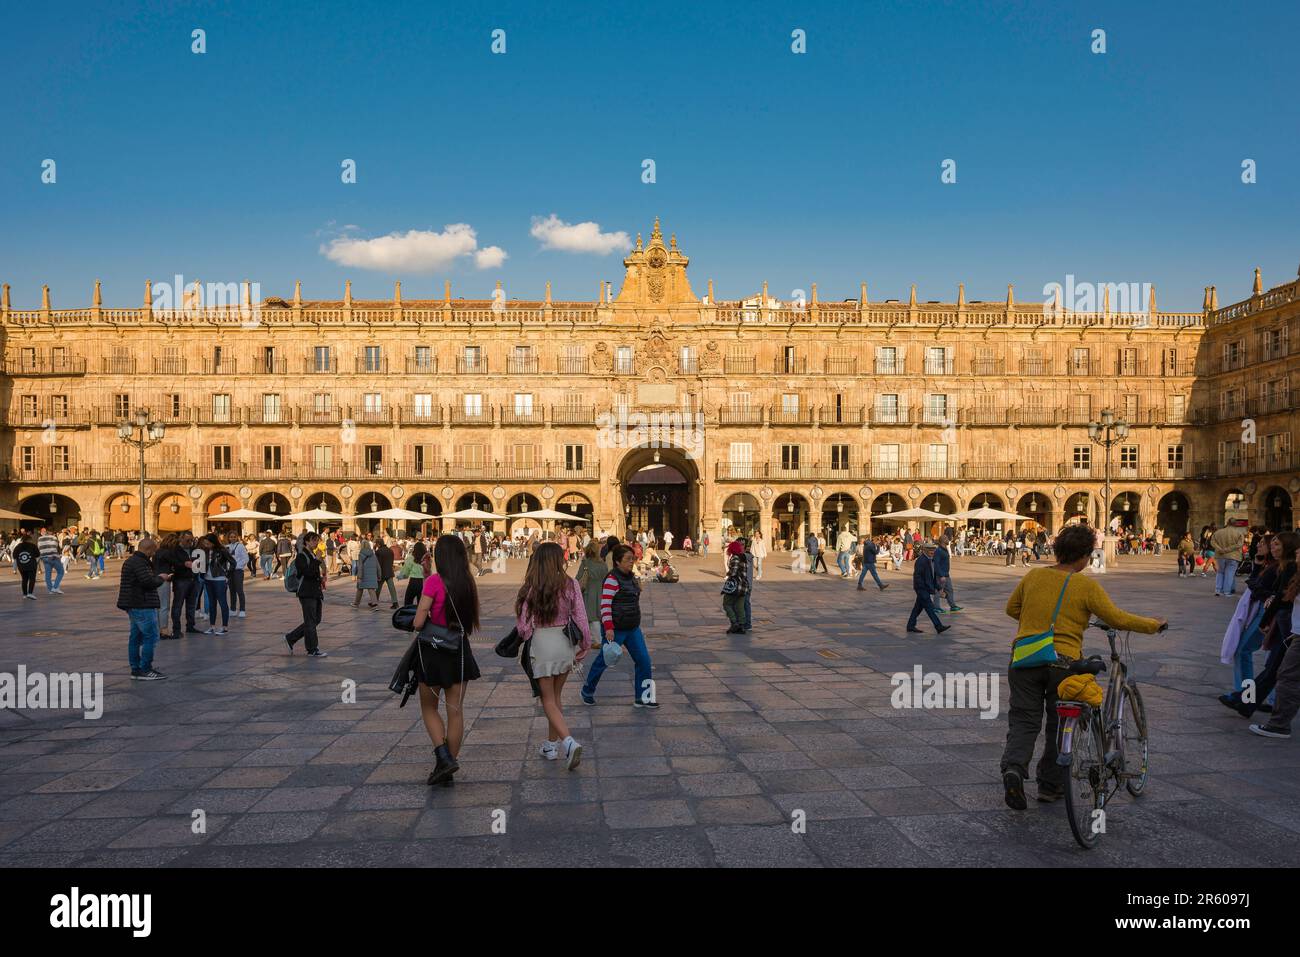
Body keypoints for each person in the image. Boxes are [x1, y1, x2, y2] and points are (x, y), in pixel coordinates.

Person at [1000, 524, 1166, 809]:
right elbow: (1116, 618)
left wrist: (1035, 624)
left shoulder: (1033, 575)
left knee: (1024, 721)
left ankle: (1014, 769)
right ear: (1084, 557)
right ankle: (1050, 786)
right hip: (1064, 664)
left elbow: (1011, 609)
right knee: (1059, 724)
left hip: (1025, 659)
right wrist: (1153, 625)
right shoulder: (1086, 586)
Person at [411, 534, 482, 786]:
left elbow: (418, 622)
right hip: (459, 651)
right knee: (455, 711)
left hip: (433, 652)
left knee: (429, 707)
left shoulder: (433, 582)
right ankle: (448, 762)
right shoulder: (468, 583)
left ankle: (444, 760)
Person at [515, 542, 590, 769]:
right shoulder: (570, 584)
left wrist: (530, 634)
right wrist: (584, 644)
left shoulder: (531, 587)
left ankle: (568, 742)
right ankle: (550, 745)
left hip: (543, 642)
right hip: (564, 643)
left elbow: (523, 627)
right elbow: (581, 617)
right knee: (556, 698)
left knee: (547, 699)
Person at [581, 544, 657, 708]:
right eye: (628, 559)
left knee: (644, 660)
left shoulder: (631, 577)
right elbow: (605, 605)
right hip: (615, 629)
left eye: (633, 559)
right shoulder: (611, 579)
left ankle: (644, 697)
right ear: (617, 562)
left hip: (632, 628)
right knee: (604, 661)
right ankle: (587, 690)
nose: (632, 562)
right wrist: (608, 627)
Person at [117, 536, 173, 680]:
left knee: (135, 637)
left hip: (134, 603)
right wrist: (162, 578)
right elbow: (147, 582)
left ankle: (136, 669)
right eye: (153, 550)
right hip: (141, 604)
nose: (154, 553)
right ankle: (145, 669)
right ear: (148, 549)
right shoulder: (139, 563)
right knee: (151, 637)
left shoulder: (133, 561)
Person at [285, 532, 328, 657]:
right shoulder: (301, 556)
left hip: (314, 591)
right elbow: (307, 572)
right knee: (310, 621)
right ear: (307, 542)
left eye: (317, 541)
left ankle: (291, 637)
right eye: (314, 540)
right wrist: (318, 560)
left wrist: (320, 579)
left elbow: (312, 573)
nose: (316, 543)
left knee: (316, 619)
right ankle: (312, 649)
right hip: (306, 592)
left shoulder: (312, 554)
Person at [906, 540, 950, 634]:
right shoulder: (921, 561)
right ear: (925, 550)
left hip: (925, 588)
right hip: (922, 589)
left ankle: (910, 625)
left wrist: (938, 588)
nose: (932, 552)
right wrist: (922, 589)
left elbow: (932, 577)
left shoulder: (930, 560)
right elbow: (917, 576)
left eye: (933, 550)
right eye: (930, 550)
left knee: (917, 608)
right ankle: (938, 626)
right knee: (930, 608)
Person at [199, 534, 233, 635]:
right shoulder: (205, 551)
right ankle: (212, 626)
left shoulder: (222, 550)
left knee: (222, 602)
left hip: (219, 579)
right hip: (207, 579)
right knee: (211, 603)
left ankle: (225, 627)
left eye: (208, 543)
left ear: (213, 542)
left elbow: (233, 562)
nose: (206, 545)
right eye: (205, 543)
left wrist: (227, 575)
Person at [575, 541, 607, 645]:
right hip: (601, 591)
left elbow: (578, 578)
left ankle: (596, 640)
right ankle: (596, 639)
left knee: (591, 616)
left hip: (589, 591)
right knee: (598, 616)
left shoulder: (586, 563)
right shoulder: (603, 563)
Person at [1210, 520, 1248, 597]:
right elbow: (1239, 545)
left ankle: (1218, 590)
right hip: (1233, 556)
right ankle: (1226, 591)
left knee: (1220, 572)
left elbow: (1212, 542)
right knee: (1229, 573)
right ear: (1235, 524)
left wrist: (1220, 549)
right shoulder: (1239, 533)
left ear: (1227, 523)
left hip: (1220, 555)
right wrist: (1227, 549)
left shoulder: (1218, 532)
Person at [722, 539, 749, 634]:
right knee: (739, 606)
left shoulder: (735, 558)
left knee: (726, 603)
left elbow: (733, 572)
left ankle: (734, 623)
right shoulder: (743, 557)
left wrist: (728, 573)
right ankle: (741, 626)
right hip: (744, 586)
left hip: (736, 586)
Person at [933, 535, 962, 612]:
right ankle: (936, 607)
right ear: (942, 540)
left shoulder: (944, 549)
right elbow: (936, 564)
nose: (948, 539)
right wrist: (941, 575)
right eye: (946, 538)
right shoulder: (939, 551)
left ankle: (952, 606)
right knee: (938, 591)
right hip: (941, 575)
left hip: (946, 574)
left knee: (949, 590)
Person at [397, 540, 429, 606]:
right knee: (421, 604)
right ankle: (420, 615)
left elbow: (406, 570)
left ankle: (408, 615)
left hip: (413, 582)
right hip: (424, 582)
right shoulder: (427, 558)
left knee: (408, 601)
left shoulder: (411, 558)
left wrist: (401, 576)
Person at [352, 538, 379, 608]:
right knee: (371, 589)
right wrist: (379, 574)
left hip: (363, 575)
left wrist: (359, 577)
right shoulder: (373, 554)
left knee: (360, 589)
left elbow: (360, 566)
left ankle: (356, 603)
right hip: (372, 575)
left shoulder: (361, 554)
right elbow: (377, 565)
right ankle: (374, 602)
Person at [13, 532, 39, 600]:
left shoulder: (18, 546)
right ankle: (30, 593)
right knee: (32, 579)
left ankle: (24, 594)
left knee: (24, 579)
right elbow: (38, 554)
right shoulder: (33, 546)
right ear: (29, 539)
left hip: (21, 566)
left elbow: (14, 556)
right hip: (31, 565)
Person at [37, 526, 64, 595]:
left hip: (44, 558)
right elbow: (54, 547)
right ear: (52, 532)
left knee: (48, 574)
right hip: (53, 557)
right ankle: (55, 587)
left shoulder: (40, 538)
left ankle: (50, 590)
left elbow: (39, 548)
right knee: (61, 572)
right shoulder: (53, 538)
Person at [227, 532, 248, 618]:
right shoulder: (227, 547)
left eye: (234, 537)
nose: (232, 538)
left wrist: (237, 566)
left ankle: (242, 610)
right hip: (230, 571)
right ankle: (233, 609)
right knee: (232, 591)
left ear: (237, 537)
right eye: (231, 537)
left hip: (238, 571)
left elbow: (246, 558)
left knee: (239, 590)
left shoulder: (240, 546)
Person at [375, 537, 399, 609]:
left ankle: (374, 601)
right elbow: (391, 561)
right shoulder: (390, 550)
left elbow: (377, 564)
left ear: (378, 544)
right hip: (389, 571)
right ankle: (395, 602)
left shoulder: (378, 551)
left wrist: (377, 573)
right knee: (391, 587)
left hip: (382, 572)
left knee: (378, 587)